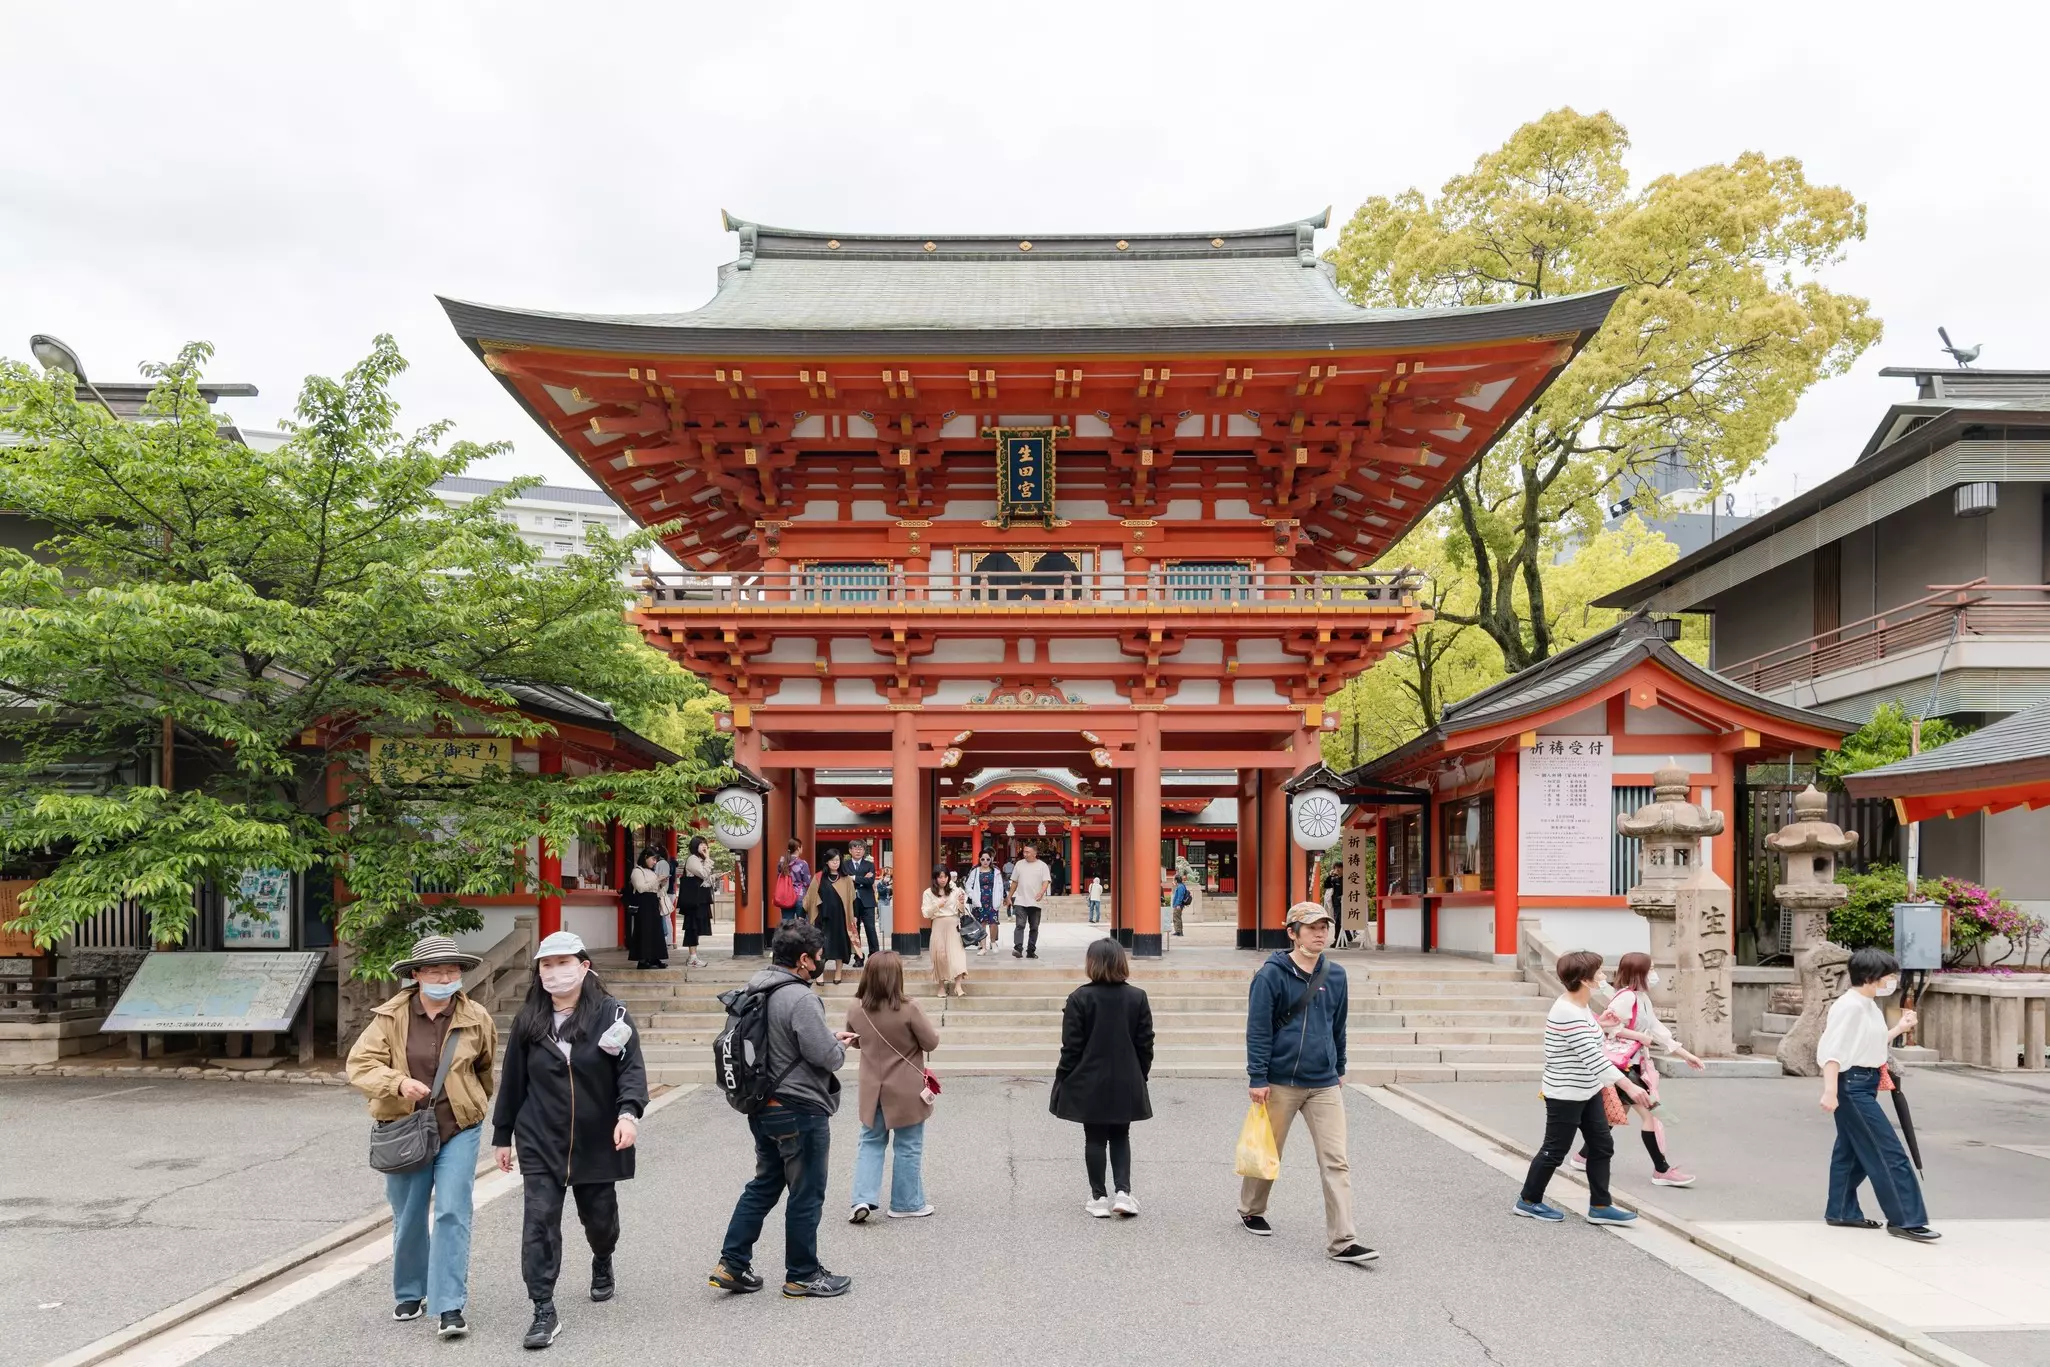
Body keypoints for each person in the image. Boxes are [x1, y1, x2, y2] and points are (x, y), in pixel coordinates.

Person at [492, 932, 648, 1349]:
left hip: (597, 1138)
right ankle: (543, 1307)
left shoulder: (612, 1014)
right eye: (547, 964)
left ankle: (602, 1258)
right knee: (539, 1222)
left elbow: (631, 1070)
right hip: (541, 1138)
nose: (555, 972)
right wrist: (502, 1135)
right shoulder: (529, 1020)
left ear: (584, 967)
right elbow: (512, 1082)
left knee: (599, 1220)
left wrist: (628, 1113)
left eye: (564, 963)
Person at [347, 935, 499, 1339]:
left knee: (452, 1210)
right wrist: (397, 1083)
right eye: (435, 971)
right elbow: (360, 1064)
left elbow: (485, 1069)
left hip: (458, 1127)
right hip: (404, 1128)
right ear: (416, 975)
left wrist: (471, 1103)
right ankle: (411, 1289)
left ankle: (449, 1305)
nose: (446, 977)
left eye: (452, 970)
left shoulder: (477, 1017)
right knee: (410, 1213)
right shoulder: (389, 1017)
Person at [708, 920, 857, 1299]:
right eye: (819, 958)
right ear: (804, 960)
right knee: (806, 1193)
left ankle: (732, 1264)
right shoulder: (801, 997)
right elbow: (825, 1056)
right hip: (799, 1109)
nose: (820, 963)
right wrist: (838, 1045)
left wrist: (826, 1039)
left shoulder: (752, 988)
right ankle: (802, 1274)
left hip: (762, 1105)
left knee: (764, 1185)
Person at [1239, 902, 1376, 1263]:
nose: (1320, 933)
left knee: (1336, 1160)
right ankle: (1251, 1208)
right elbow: (1258, 1029)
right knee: (1270, 1151)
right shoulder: (1271, 975)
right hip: (1281, 1082)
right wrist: (1258, 1075)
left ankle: (1343, 1240)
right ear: (1292, 932)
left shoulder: (1335, 975)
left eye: (1324, 927)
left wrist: (1340, 1065)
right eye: (1312, 927)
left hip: (1324, 1082)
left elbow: (1338, 1025)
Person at [1513, 949, 1649, 1225]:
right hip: (1566, 1093)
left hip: (1587, 1090)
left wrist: (1602, 1024)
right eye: (1599, 972)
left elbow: (1586, 1042)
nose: (1604, 975)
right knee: (1554, 1150)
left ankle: (1600, 1205)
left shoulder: (1579, 1005)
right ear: (1586, 980)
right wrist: (1630, 1087)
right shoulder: (1568, 1012)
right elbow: (1594, 1058)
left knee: (1602, 1144)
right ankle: (1528, 1200)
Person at [1819, 947, 1938, 1242]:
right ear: (1872, 977)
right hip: (1852, 1085)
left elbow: (1868, 1043)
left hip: (1863, 1082)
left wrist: (1898, 1028)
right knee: (1888, 1151)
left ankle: (1842, 1211)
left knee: (1851, 1152)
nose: (1893, 981)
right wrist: (1830, 1092)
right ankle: (1905, 1219)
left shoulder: (1867, 1004)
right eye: (1889, 976)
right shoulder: (1850, 1006)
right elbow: (1832, 1053)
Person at [1569, 951, 1703, 1186]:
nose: (1654, 974)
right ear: (1639, 972)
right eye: (1650, 970)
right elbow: (1609, 1027)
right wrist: (1639, 1035)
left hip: (1632, 1065)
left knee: (1615, 1114)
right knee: (1651, 1114)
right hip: (1624, 1067)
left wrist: (1686, 1055)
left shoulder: (1641, 998)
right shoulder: (1626, 998)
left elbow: (1658, 1029)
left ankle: (1583, 1156)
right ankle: (1661, 1169)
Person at [1052, 937, 1154, 1218]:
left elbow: (1071, 1047)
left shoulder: (1079, 998)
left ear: (1091, 964)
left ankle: (1098, 1197)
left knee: (1094, 1138)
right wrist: (1140, 1073)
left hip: (1089, 1078)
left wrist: (1063, 1077)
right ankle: (1124, 1192)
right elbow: (1145, 1043)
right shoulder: (1137, 997)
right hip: (1126, 1076)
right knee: (1121, 1134)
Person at [843, 950, 940, 1223]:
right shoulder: (909, 1007)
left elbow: (856, 1042)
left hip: (872, 1086)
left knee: (870, 1142)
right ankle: (906, 1202)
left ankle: (862, 1198)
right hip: (906, 1087)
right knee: (908, 1145)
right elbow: (930, 1043)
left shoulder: (856, 1007)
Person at [804, 848, 857, 985]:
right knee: (821, 946)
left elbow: (852, 899)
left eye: (838, 860)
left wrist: (854, 916)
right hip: (822, 917)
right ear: (827, 862)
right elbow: (810, 897)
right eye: (832, 860)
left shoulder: (846, 879)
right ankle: (819, 974)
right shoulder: (819, 877)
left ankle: (838, 973)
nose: (835, 863)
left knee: (840, 945)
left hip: (841, 918)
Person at [921, 866, 969, 998]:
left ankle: (958, 986)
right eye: (940, 877)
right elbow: (925, 913)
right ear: (935, 878)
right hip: (938, 924)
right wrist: (938, 905)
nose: (943, 880)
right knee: (940, 956)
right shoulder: (928, 893)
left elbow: (962, 911)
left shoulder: (955, 890)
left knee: (957, 954)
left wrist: (961, 903)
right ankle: (941, 986)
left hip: (953, 924)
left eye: (945, 876)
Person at [626, 849, 668, 971]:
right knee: (644, 930)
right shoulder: (637, 871)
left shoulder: (652, 872)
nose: (654, 862)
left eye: (656, 860)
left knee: (656, 930)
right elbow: (641, 888)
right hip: (643, 902)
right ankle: (643, 959)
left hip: (653, 901)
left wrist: (662, 883)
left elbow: (655, 887)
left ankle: (655, 957)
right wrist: (657, 880)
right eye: (653, 859)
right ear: (645, 857)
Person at [678, 836, 716, 969]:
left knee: (697, 927)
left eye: (705, 844)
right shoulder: (693, 859)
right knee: (692, 927)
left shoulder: (700, 860)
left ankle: (693, 956)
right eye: (701, 844)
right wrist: (708, 859)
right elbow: (702, 874)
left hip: (700, 898)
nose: (704, 846)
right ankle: (692, 957)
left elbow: (704, 877)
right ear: (694, 846)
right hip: (694, 899)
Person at [1009, 842, 1051, 959]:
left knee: (1034, 927)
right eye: (1024, 852)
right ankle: (1017, 948)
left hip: (1035, 901)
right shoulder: (1019, 864)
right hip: (1021, 899)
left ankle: (1031, 951)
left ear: (1035, 853)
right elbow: (1014, 882)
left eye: (1028, 852)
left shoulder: (1042, 866)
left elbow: (1046, 881)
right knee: (1020, 925)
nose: (1025, 854)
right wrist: (1009, 896)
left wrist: (1041, 893)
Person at [963, 850, 1006, 956]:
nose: (985, 861)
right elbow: (968, 885)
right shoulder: (975, 871)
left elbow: (1000, 886)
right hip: (980, 900)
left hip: (992, 900)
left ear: (991, 859)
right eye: (983, 859)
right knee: (981, 924)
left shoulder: (995, 871)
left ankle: (993, 941)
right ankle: (983, 947)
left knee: (993, 922)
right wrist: (972, 896)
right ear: (979, 860)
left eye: (988, 859)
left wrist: (1002, 897)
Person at [845, 839, 880, 965]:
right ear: (850, 851)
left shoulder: (869, 864)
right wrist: (862, 878)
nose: (858, 850)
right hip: (851, 901)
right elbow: (845, 881)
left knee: (871, 929)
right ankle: (858, 958)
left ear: (864, 851)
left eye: (861, 848)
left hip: (867, 901)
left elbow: (870, 881)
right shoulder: (845, 864)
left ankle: (875, 956)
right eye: (855, 848)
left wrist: (853, 877)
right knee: (855, 930)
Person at [774, 839, 812, 927]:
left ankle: (785, 940)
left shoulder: (782, 863)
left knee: (786, 923)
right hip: (799, 896)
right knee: (802, 924)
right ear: (798, 848)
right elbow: (807, 882)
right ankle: (801, 940)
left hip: (785, 896)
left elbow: (779, 877)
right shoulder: (802, 864)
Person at [1170, 872, 1191, 937]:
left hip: (1178, 905)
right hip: (1178, 905)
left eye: (1174, 880)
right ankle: (1179, 931)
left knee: (1176, 918)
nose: (1174, 881)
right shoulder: (1181, 886)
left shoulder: (1180, 887)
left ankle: (1178, 932)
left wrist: (1178, 904)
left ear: (1176, 880)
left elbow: (1180, 896)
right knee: (1177, 918)